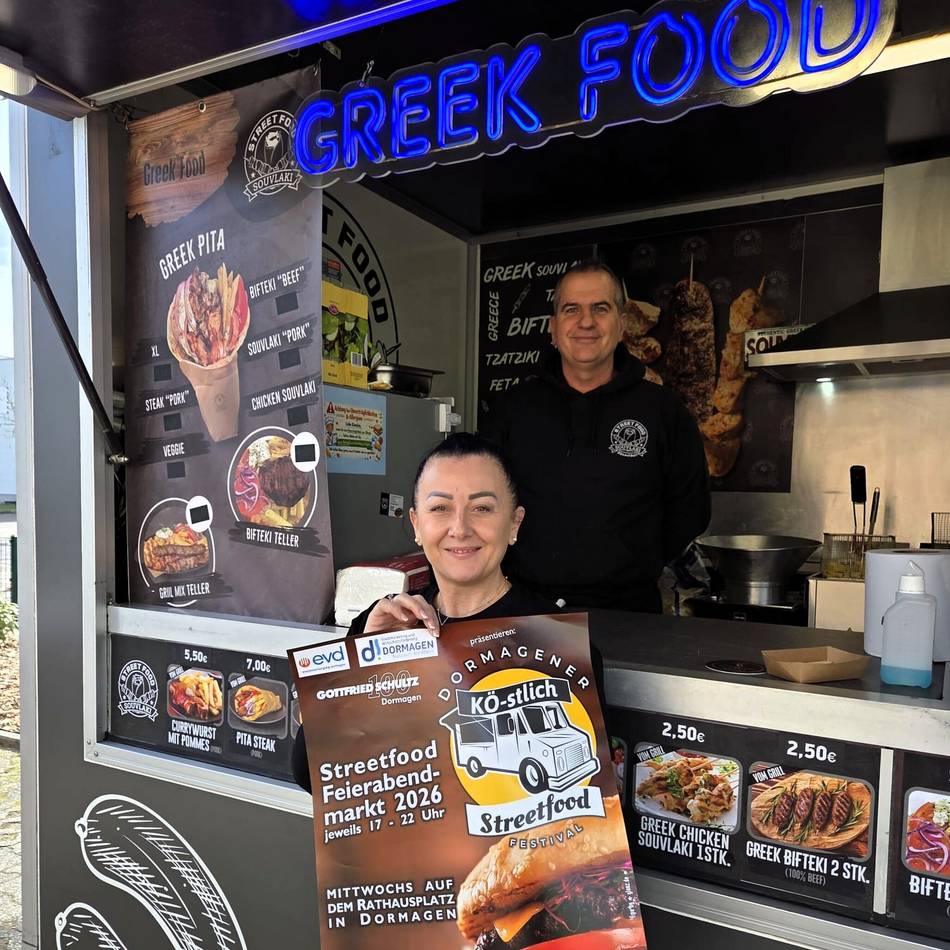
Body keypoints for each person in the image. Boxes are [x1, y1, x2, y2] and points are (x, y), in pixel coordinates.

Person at [293, 433, 610, 793]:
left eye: (483, 508)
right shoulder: (379, 624)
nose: (460, 529)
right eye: (440, 508)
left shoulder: (560, 645)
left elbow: (588, 802)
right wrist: (365, 663)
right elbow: (312, 774)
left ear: (515, 524)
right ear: (416, 525)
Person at [482, 259, 710, 614]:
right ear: (553, 328)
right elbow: (483, 503)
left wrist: (631, 560)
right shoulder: (512, 410)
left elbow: (691, 510)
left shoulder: (664, 410)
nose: (585, 322)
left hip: (630, 614)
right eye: (571, 309)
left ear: (621, 324)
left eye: (600, 309)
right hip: (527, 611)